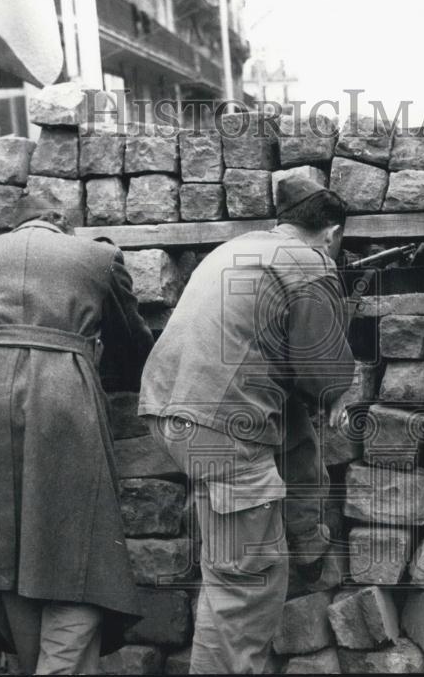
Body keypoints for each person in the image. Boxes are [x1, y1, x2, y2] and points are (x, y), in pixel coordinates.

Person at [138, 174, 356, 674]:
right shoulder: (311, 262)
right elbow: (322, 373)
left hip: (175, 411)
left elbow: (294, 423)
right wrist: (338, 394)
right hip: (221, 428)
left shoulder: (238, 250)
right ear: (332, 234)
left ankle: (301, 545)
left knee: (234, 569)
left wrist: (307, 541)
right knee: (246, 587)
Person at [0, 201, 155, 675]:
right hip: (60, 393)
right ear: (63, 226)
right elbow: (131, 343)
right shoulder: (97, 258)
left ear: (15, 225)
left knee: (4, 548)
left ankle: (38, 664)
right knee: (81, 546)